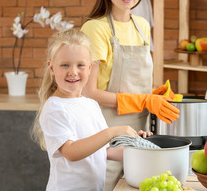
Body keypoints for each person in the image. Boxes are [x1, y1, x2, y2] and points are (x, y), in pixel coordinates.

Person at [80, 0, 180, 190]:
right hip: (106, 134)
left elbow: (135, 81)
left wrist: (154, 94)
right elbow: (88, 92)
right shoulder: (96, 28)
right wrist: (144, 99)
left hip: (139, 135)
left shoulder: (142, 25)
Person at [31, 29, 151, 190]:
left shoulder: (90, 104)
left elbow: (106, 150)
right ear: (52, 68)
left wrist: (139, 147)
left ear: (90, 68)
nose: (73, 72)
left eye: (80, 65)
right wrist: (113, 132)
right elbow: (71, 152)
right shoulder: (54, 107)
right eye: (65, 65)